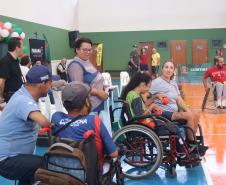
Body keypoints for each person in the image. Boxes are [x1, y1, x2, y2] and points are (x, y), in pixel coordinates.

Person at [0, 65, 53, 185]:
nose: (51, 86)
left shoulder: (23, 93)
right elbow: (43, 122)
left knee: (30, 173)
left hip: (14, 157)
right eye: (50, 83)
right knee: (47, 164)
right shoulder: (23, 100)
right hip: (7, 160)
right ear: (42, 84)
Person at [51, 81, 118, 171]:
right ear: (86, 102)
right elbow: (113, 153)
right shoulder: (94, 121)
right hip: (90, 175)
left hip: (63, 172)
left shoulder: (56, 117)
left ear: (64, 104)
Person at [150, 60, 203, 142]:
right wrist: (153, 102)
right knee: (189, 116)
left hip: (173, 112)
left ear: (173, 71)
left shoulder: (173, 83)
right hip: (163, 113)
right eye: (166, 67)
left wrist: (188, 111)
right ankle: (191, 143)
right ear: (162, 69)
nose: (168, 70)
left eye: (171, 68)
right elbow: (145, 96)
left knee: (195, 114)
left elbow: (179, 99)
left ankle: (190, 139)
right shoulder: (156, 82)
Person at [67, 38, 108, 113]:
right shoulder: (75, 65)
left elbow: (92, 80)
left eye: (90, 50)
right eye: (84, 50)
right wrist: (98, 92)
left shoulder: (86, 61)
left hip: (96, 104)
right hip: (87, 108)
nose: (88, 52)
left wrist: (102, 86)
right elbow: (79, 88)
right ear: (77, 50)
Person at [0, 37, 24, 103]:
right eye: (22, 46)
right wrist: (1, 96)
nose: (23, 48)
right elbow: (1, 81)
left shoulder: (16, 60)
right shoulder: (6, 60)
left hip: (17, 93)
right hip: (10, 96)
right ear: (17, 48)